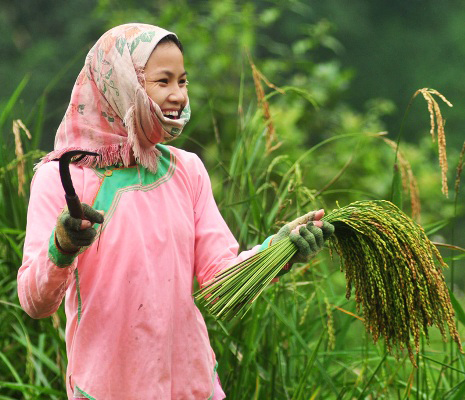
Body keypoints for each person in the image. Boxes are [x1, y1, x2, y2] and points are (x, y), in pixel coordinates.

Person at [17, 23, 334, 399]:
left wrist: (279, 250)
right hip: (105, 389)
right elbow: (35, 302)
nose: (179, 96)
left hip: (192, 387)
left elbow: (219, 282)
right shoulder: (63, 178)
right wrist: (61, 247)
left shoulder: (186, 170)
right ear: (123, 85)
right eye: (163, 81)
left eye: (182, 82)